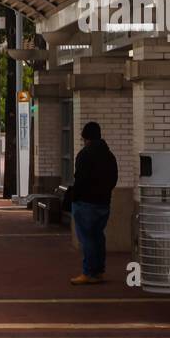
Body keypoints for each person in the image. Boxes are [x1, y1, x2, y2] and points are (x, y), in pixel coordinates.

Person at [67, 120, 119, 285]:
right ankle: (99, 271)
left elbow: (80, 180)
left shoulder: (84, 155)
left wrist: (76, 196)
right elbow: (113, 179)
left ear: (86, 138)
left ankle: (88, 272)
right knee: (98, 237)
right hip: (103, 202)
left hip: (85, 203)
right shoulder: (109, 156)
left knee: (87, 238)